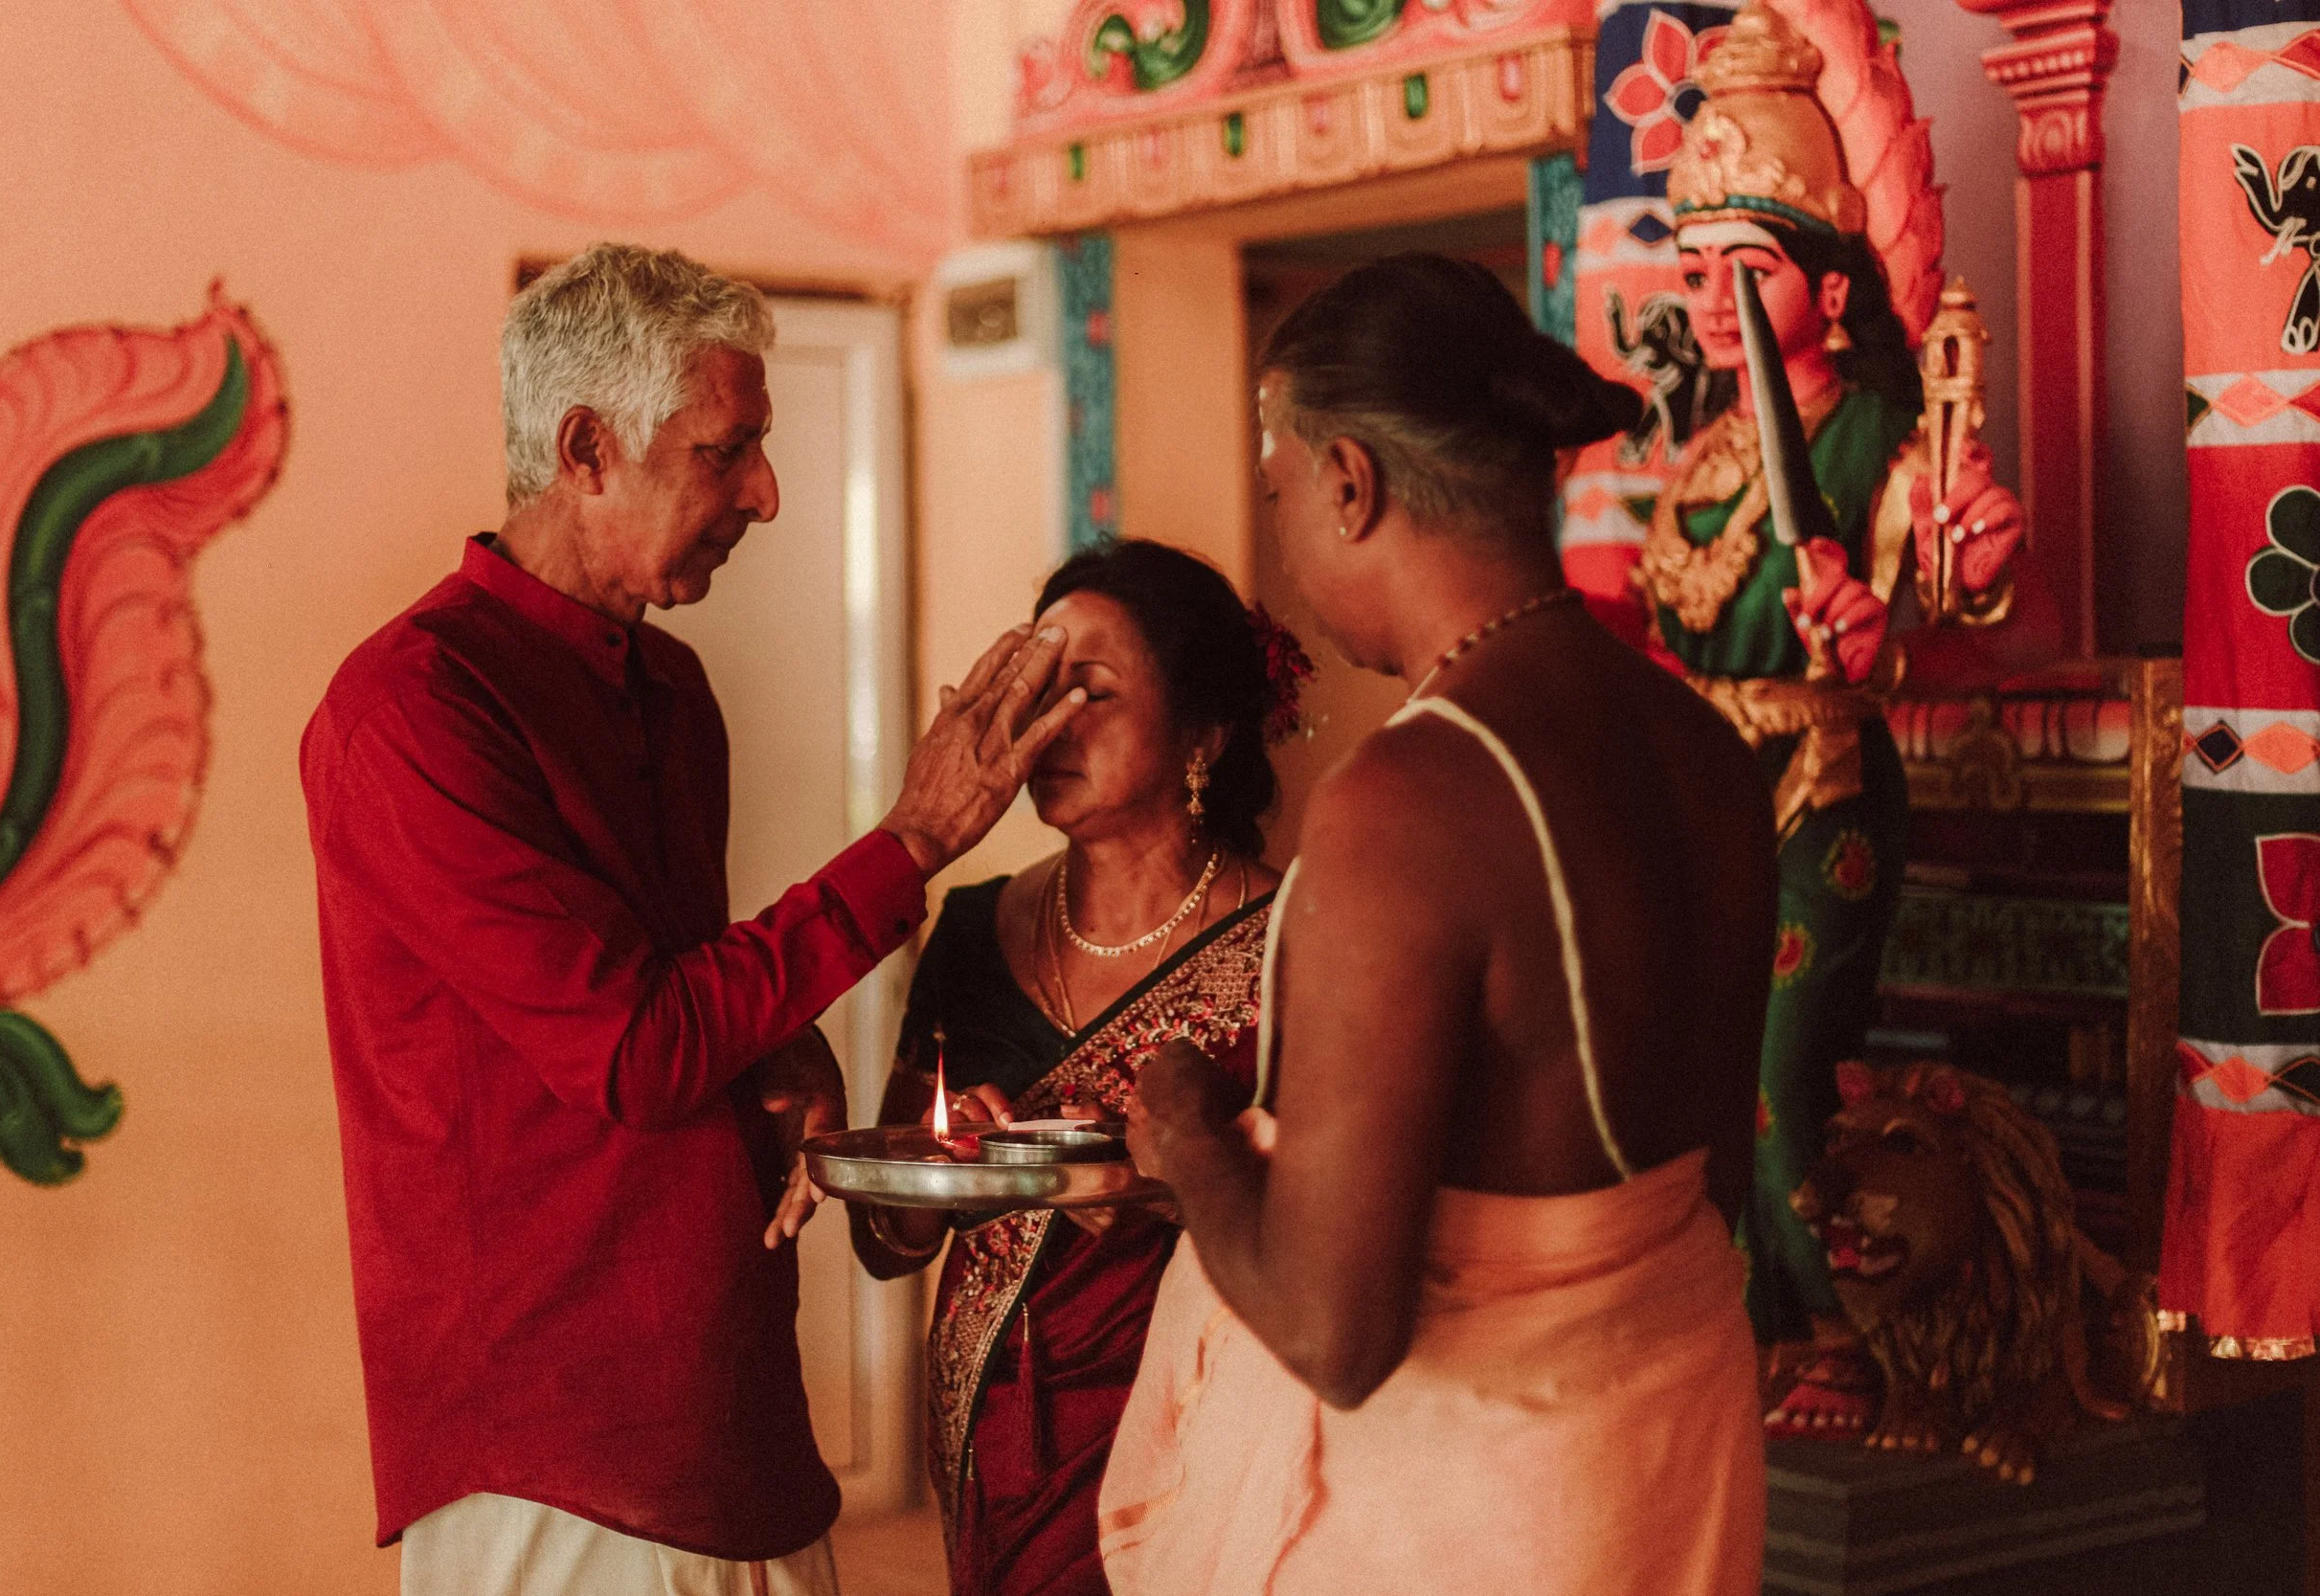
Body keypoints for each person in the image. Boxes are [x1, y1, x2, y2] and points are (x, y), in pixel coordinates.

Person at [301, 242, 1085, 1596]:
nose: (767, 495)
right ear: (590, 447)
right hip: (554, 1441)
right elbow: (635, 1049)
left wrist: (778, 1044)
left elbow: (680, 1000)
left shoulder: (669, 687)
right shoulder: (412, 712)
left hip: (730, 1400)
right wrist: (913, 842)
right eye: (730, 450)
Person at [1096, 254, 1778, 1595]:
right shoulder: (1707, 749)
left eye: (1278, 489)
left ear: (1351, 481)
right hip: (1657, 1460)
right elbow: (1709, 1177)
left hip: (1476, 1507)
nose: (1281, 537)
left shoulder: (1408, 797)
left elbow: (1335, 1328)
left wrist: (1187, 1133)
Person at [1634, 0, 2050, 1426]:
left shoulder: (1875, 431)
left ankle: (1837, 1324)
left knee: (1777, 1064)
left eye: (1744, 270)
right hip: (1699, 794)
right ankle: (1738, 1322)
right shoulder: (1695, 455)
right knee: (1685, 1065)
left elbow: (1954, 559)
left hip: (1821, 781)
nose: (1711, 303)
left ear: (1824, 287)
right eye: (1694, 273)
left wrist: (1956, 560)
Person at [851, 539, 1297, 1596]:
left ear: (1203, 730)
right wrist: (949, 1162)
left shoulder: (1297, 941)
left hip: (1192, 1417)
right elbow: (888, 1236)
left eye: (1090, 689)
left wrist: (1171, 1175)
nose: (1048, 721)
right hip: (994, 1431)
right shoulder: (971, 926)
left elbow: (1336, 1226)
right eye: (1034, 686)